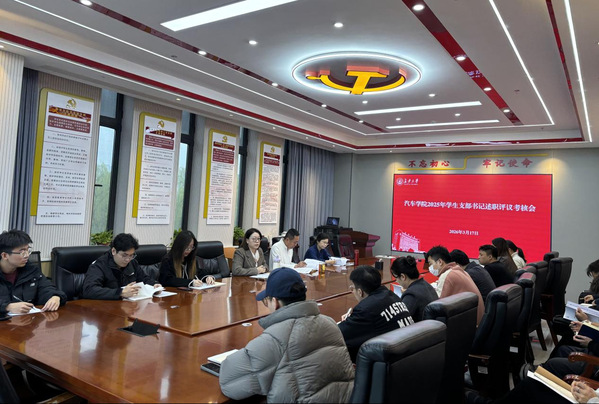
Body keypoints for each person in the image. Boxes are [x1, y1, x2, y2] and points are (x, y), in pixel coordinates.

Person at [219, 267, 354, 402]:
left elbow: (228, 381)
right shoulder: (330, 323)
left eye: (266, 301)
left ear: (275, 302)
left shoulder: (275, 340)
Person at [338, 265, 414, 361]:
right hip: (409, 354)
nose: (352, 291)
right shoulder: (392, 295)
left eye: (352, 288)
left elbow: (338, 334)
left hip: (392, 362)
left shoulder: (366, 309)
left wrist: (349, 321)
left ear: (360, 292)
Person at [0, 230, 66, 315]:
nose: (27, 255)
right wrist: (7, 307)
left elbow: (46, 288)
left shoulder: (31, 270)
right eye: (22, 252)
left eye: (28, 250)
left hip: (27, 320)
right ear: (5, 255)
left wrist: (55, 297)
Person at [82, 233, 161, 300]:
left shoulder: (132, 262)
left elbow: (143, 278)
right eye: (124, 255)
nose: (127, 259)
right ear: (113, 251)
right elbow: (89, 290)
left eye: (131, 255)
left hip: (127, 306)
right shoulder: (99, 265)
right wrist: (120, 293)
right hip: (103, 308)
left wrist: (154, 284)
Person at [427, 245, 484, 324]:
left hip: (470, 325)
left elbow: (436, 306)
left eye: (430, 263)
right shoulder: (458, 270)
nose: (429, 268)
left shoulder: (447, 275)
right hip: (477, 321)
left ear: (440, 262)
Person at [390, 255, 438, 322]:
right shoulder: (425, 284)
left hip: (423, 327)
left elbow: (401, 320)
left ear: (403, 276)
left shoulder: (411, 294)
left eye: (396, 278)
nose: (396, 281)